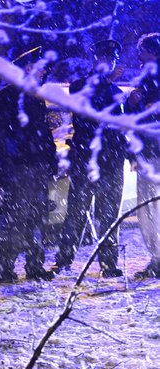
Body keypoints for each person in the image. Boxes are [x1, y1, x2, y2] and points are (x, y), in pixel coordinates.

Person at [53, 39, 126, 277]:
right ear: (96, 60)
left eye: (113, 59)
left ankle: (108, 263)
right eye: (106, 58)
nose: (110, 63)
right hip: (87, 159)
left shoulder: (114, 90)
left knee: (108, 215)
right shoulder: (79, 86)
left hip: (111, 161)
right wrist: (106, 82)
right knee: (76, 213)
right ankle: (64, 259)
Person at [0, 47, 58, 283]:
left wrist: (49, 159)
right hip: (22, 169)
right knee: (18, 218)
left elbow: (41, 134)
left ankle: (34, 265)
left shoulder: (34, 99)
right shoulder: (7, 99)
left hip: (36, 168)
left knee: (36, 218)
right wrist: (15, 162)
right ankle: (6, 266)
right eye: (40, 68)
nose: (44, 73)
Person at [126, 33, 160, 279]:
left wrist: (137, 102)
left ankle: (157, 258)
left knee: (150, 208)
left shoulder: (150, 79)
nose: (139, 56)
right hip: (150, 152)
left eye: (143, 51)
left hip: (151, 153)